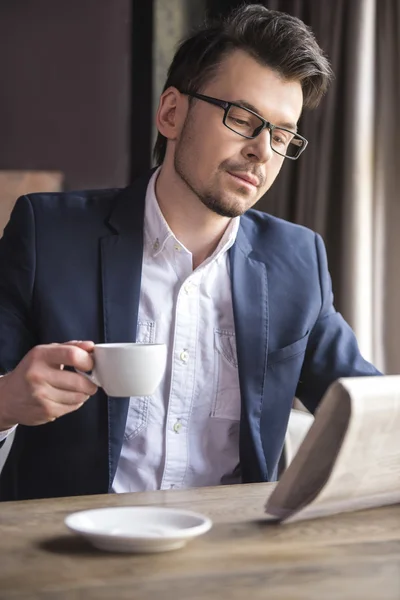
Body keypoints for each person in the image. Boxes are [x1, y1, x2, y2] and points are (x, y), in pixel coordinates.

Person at [0, 4, 380, 501]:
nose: (263, 151)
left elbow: (369, 412)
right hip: (69, 547)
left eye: (282, 135)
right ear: (172, 113)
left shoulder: (296, 260)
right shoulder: (48, 233)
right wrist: (7, 400)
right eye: (244, 119)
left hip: (230, 555)